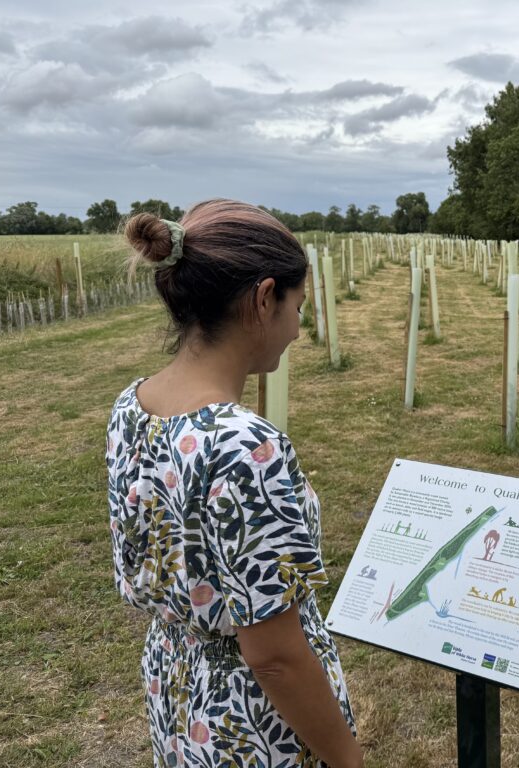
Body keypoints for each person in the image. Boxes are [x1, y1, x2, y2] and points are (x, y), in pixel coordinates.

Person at [105, 199, 362, 768]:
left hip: (177, 689)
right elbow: (274, 657)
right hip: (251, 719)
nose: (297, 328)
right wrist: (348, 759)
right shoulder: (246, 448)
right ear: (264, 298)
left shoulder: (132, 405)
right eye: (297, 306)